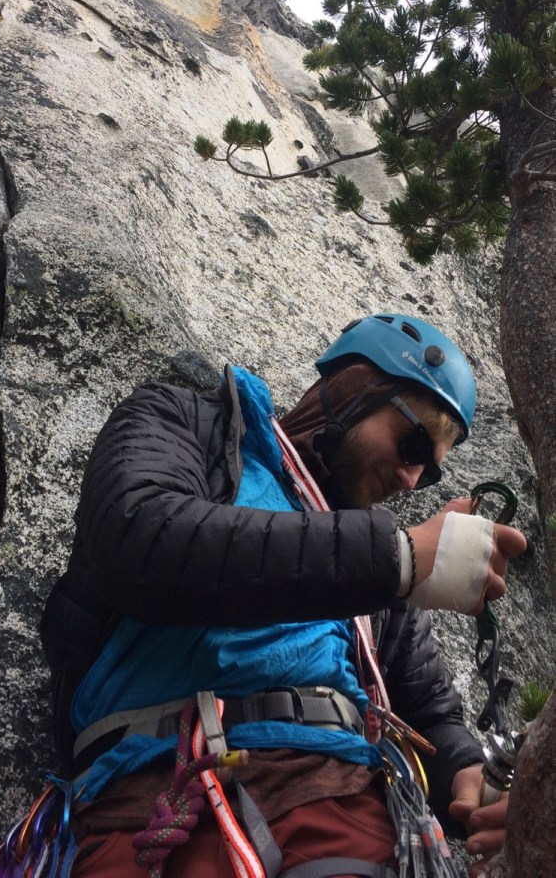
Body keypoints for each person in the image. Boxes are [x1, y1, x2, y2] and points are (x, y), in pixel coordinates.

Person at [40, 313, 526, 878]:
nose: (412, 480)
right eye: (413, 443)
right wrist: (398, 558)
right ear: (351, 388)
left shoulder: (378, 572)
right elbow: (138, 535)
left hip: (333, 798)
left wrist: (468, 775)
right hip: (147, 794)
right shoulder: (189, 425)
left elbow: (433, 717)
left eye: (431, 471)